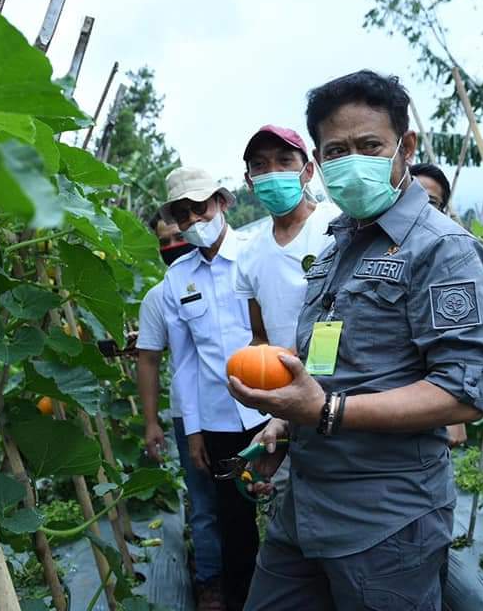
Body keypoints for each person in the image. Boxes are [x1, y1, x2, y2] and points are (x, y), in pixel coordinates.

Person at [229, 70, 483, 610]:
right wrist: (286, 421)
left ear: (405, 146)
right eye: (336, 150)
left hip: (385, 522)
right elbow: (332, 364)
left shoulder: (441, 250)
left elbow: (470, 390)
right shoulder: (336, 249)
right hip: (305, 506)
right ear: (320, 159)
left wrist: (328, 410)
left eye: (369, 145)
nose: (352, 160)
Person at [159, 167, 269, 611]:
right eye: (182, 214)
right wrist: (193, 431)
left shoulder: (257, 255)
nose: (192, 220)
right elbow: (183, 363)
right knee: (234, 521)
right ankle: (244, 600)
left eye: (199, 207)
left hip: (272, 412)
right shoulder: (177, 279)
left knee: (289, 513)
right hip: (218, 419)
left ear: (223, 202)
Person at [234, 125, 340, 510]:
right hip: (289, 398)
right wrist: (259, 379)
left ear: (308, 170)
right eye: (260, 166)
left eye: (284, 161)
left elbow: (342, 315)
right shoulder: (249, 253)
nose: (272, 172)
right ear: (250, 181)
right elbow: (260, 336)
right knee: (293, 502)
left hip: (343, 386)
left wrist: (307, 374)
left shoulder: (336, 225)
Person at [137, 213, 224, 610]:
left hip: (237, 408)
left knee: (242, 497)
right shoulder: (158, 296)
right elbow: (149, 360)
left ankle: (246, 575)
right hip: (188, 415)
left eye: (179, 236)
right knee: (204, 504)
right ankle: (210, 582)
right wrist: (151, 420)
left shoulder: (228, 279)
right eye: (164, 241)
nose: (173, 245)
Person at [411, 163, 467, 448]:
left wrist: (453, 418)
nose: (421, 209)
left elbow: (455, 346)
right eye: (412, 196)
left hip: (422, 406)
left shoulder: (448, 260)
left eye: (431, 203)